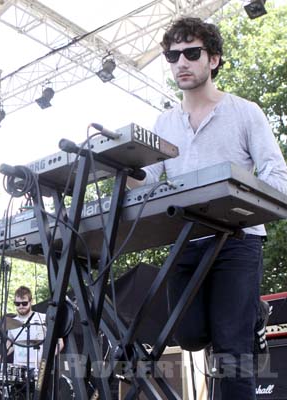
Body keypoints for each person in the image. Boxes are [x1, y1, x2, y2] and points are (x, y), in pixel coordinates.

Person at [133, 17, 287, 399]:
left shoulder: (244, 111)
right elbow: (148, 182)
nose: (180, 62)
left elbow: (276, 172)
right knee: (190, 335)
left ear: (214, 59)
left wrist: (244, 202)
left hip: (237, 238)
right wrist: (120, 165)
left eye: (191, 53)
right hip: (187, 238)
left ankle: (243, 323)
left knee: (232, 348)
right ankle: (252, 317)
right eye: (172, 55)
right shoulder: (163, 123)